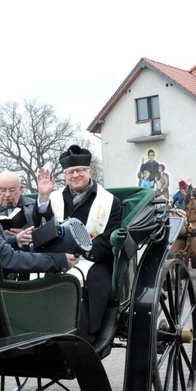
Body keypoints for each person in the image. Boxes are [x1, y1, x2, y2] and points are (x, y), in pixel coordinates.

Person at [34, 145, 122, 342]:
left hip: (93, 259)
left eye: (79, 170)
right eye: (70, 172)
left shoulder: (109, 201)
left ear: (89, 172)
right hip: (56, 257)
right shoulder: (53, 197)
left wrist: (84, 252)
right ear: (65, 176)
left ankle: (85, 336)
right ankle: (39, 330)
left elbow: (110, 236)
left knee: (93, 280)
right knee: (35, 273)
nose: (75, 175)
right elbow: (40, 227)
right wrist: (43, 197)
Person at [0, 150, 78, 277]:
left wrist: (15, 240)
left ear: (21, 189)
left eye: (12, 190)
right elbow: (3, 258)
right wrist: (57, 261)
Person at [0, 170, 36, 236]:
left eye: (12, 190)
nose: (7, 195)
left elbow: (46, 231)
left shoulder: (34, 207)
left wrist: (29, 234)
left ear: (21, 189)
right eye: (3, 190)